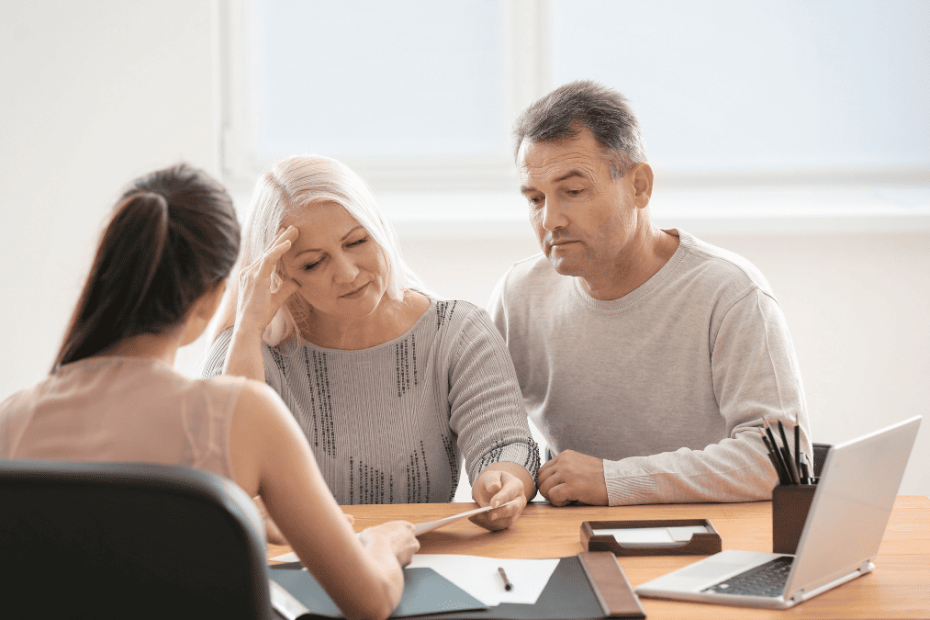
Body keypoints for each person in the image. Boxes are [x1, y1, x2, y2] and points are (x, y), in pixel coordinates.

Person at [0, 164, 418, 620]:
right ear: (211, 297)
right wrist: (383, 542)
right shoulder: (241, 414)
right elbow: (370, 601)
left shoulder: (12, 420)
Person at [489, 80, 812, 507]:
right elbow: (492, 428)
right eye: (534, 198)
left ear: (639, 186)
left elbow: (779, 462)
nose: (550, 220)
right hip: (577, 540)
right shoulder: (520, 295)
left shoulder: (730, 291)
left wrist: (614, 481)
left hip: (707, 543)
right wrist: (506, 477)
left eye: (573, 191)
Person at [203, 154, 539, 531]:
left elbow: (507, 443)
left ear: (378, 227)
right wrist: (248, 326)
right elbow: (222, 479)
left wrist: (504, 480)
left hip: (424, 561)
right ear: (279, 272)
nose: (346, 274)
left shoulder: (458, 331)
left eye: (356, 241)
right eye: (314, 263)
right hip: (299, 569)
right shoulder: (248, 346)